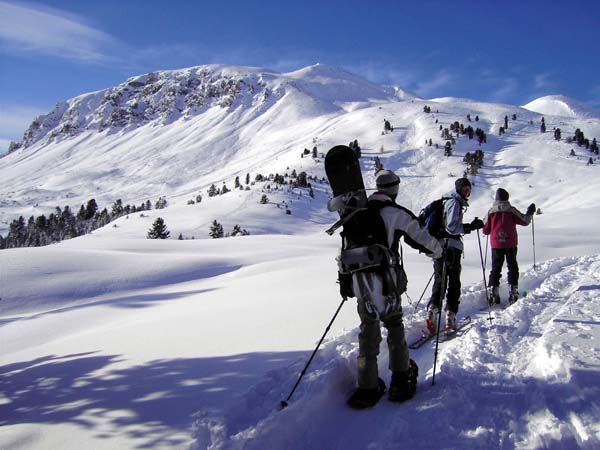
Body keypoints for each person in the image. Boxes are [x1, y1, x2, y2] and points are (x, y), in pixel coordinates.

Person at [343, 170, 443, 409]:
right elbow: (420, 236)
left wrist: (346, 283)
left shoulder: (355, 213)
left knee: (368, 330)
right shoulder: (395, 213)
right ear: (395, 189)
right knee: (395, 326)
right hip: (385, 282)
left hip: (360, 281)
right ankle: (400, 380)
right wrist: (439, 251)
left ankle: (366, 387)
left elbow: (345, 249)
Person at [426, 178, 483, 333]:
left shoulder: (446, 201)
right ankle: (450, 316)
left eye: (468, 190)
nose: (467, 193)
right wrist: (469, 227)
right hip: (451, 247)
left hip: (439, 246)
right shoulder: (454, 202)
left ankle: (432, 312)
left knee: (440, 279)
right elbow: (452, 227)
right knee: (453, 282)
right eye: (464, 190)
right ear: (458, 190)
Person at [482, 188, 535, 304]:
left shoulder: (491, 212)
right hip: (510, 243)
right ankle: (513, 290)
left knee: (496, 268)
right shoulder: (511, 210)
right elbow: (525, 221)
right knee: (512, 266)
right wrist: (530, 212)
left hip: (496, 244)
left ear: (496, 198)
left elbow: (485, 230)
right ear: (507, 198)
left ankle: (493, 291)